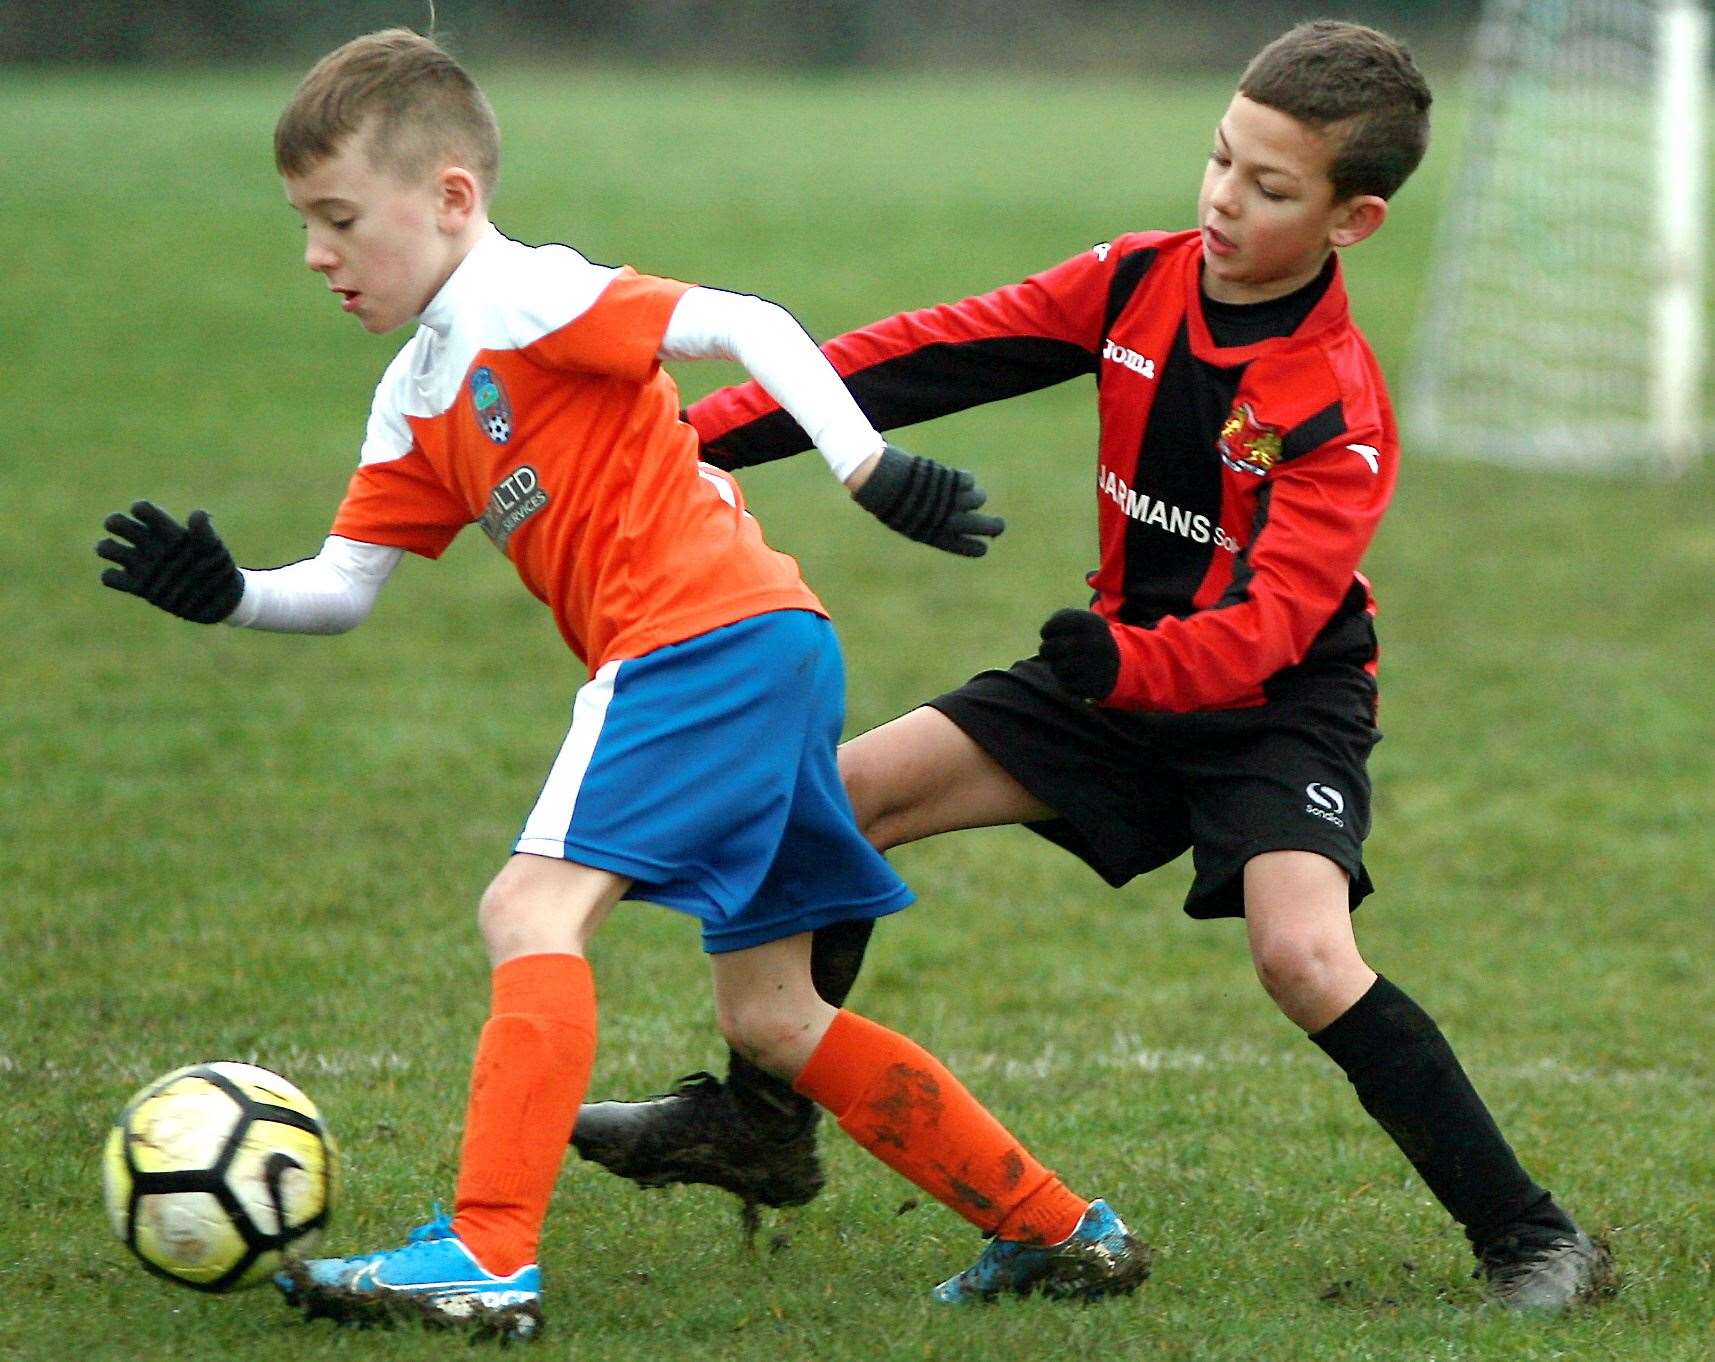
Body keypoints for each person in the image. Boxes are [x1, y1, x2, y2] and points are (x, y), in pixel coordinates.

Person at [93, 28, 1151, 1340]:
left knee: (526, 905)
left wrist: (867, 466)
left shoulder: (524, 296)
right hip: (762, 646)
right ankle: (1060, 1228)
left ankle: (485, 1252)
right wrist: (231, 592)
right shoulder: (418, 391)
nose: (318, 254)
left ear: (452, 200)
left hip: (696, 641)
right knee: (773, 1011)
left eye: (339, 219)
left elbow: (745, 323)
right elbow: (347, 584)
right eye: (305, 224)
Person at [569, 19, 1615, 1314]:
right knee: (823, 802)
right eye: (1222, 159)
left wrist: (1123, 660)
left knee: (1303, 954)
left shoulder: (1331, 404)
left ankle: (1535, 1237)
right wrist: (693, 437)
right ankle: (760, 1121)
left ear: (1356, 221)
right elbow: (925, 354)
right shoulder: (1136, 282)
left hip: (1274, 710)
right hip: (1109, 677)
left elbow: (1274, 625)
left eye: (1271, 188)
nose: (1226, 200)